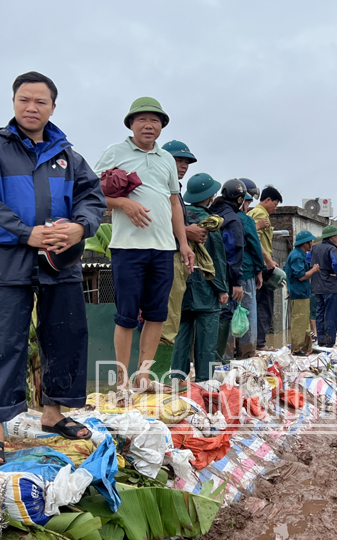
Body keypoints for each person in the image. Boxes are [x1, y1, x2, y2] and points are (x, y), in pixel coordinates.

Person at [0, 72, 106, 465]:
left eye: (40, 102)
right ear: (13, 102)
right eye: (24, 100)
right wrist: (25, 234)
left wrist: (80, 226)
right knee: (3, 341)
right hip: (8, 257)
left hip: (61, 261)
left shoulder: (69, 156)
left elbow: (92, 198)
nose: (32, 107)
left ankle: (54, 413)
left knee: (66, 335)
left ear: (53, 108)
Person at [94, 97, 195, 390]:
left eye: (155, 120)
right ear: (131, 124)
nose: (148, 125)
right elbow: (91, 193)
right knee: (126, 316)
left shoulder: (166, 159)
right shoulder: (115, 153)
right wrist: (123, 203)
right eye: (142, 120)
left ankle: (144, 377)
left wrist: (183, 243)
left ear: (161, 126)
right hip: (128, 247)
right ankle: (122, 382)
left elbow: (174, 202)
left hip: (164, 248)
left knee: (156, 315)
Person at [170, 173, 229, 383]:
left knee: (181, 338)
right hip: (206, 288)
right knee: (206, 341)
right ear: (211, 196)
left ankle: (176, 383)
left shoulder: (179, 218)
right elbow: (216, 260)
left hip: (181, 284)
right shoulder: (209, 223)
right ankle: (204, 383)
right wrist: (222, 289)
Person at [157, 140, 209, 373]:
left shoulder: (175, 190)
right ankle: (158, 376)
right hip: (164, 257)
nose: (184, 165)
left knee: (173, 317)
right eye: (179, 160)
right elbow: (154, 222)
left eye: (186, 161)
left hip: (177, 258)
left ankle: (162, 376)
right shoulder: (157, 187)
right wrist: (187, 231)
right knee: (164, 318)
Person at [209, 180, 248, 360]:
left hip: (205, 272)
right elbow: (234, 251)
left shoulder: (210, 213)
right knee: (224, 313)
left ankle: (204, 358)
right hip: (224, 275)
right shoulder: (233, 220)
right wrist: (236, 282)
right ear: (239, 198)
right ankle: (218, 357)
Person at [248, 186, 283, 349]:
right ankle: (260, 342)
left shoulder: (251, 214)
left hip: (254, 266)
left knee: (254, 304)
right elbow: (255, 240)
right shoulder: (261, 214)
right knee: (264, 305)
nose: (275, 209)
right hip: (261, 266)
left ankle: (253, 341)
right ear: (267, 200)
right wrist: (268, 261)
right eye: (275, 204)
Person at [234, 179, 265, 357]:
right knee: (247, 313)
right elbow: (255, 246)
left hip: (224, 276)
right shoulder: (246, 221)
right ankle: (246, 351)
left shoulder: (217, 217)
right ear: (243, 201)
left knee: (228, 315)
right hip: (245, 273)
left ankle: (227, 351)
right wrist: (259, 270)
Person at [285, 231, 321, 355]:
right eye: (310, 242)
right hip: (299, 293)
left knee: (305, 322)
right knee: (299, 322)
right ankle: (297, 348)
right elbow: (301, 276)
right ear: (305, 243)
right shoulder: (297, 256)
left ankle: (307, 347)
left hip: (302, 292)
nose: (311, 244)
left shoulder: (299, 254)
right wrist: (314, 270)